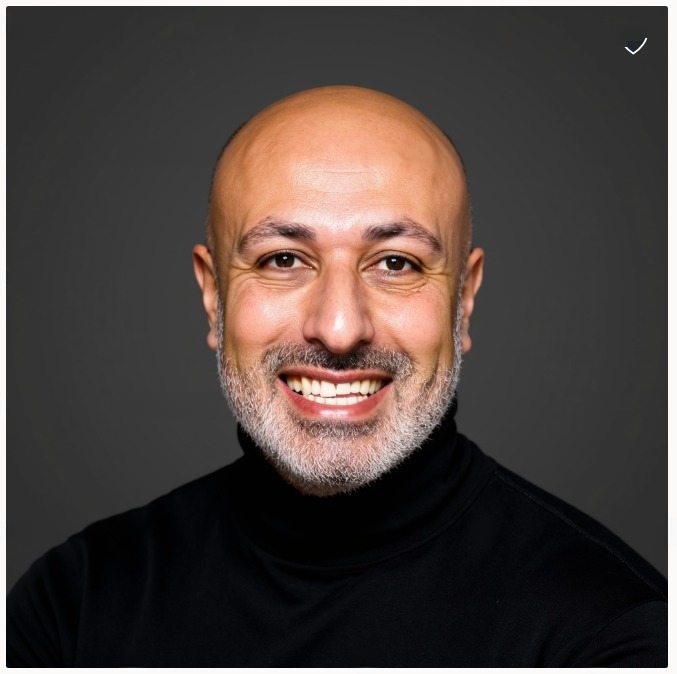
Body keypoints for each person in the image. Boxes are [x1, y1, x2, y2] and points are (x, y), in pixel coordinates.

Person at [7, 86, 667, 667]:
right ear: (213, 295)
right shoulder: (74, 604)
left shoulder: (610, 632)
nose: (340, 328)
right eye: (283, 259)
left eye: (396, 263)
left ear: (463, 300)